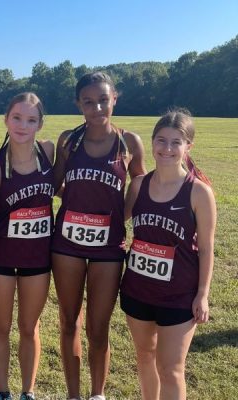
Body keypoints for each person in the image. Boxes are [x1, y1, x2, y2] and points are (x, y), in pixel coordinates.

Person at [51, 71, 146, 400]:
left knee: (98, 326)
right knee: (68, 321)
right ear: (79, 104)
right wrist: (77, 201)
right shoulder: (69, 140)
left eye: (103, 100)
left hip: (108, 245)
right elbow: (55, 184)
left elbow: (138, 181)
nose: (97, 108)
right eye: (88, 102)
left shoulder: (128, 142)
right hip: (67, 244)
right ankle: (74, 395)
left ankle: (97, 395)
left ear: (114, 99)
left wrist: (124, 214)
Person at [120, 109, 215, 400]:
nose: (167, 149)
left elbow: (208, 247)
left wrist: (202, 293)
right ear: (152, 142)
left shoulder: (198, 192)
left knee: (171, 368)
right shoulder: (138, 185)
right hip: (138, 290)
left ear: (188, 147)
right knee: (145, 358)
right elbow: (117, 224)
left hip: (178, 295)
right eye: (161, 140)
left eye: (176, 142)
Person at [0, 93, 54, 400]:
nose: (23, 125)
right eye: (17, 118)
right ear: (6, 119)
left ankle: (28, 391)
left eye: (31, 119)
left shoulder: (50, 153)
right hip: (0, 254)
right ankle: (2, 391)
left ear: (40, 124)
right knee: (0, 326)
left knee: (29, 327)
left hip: (38, 257)